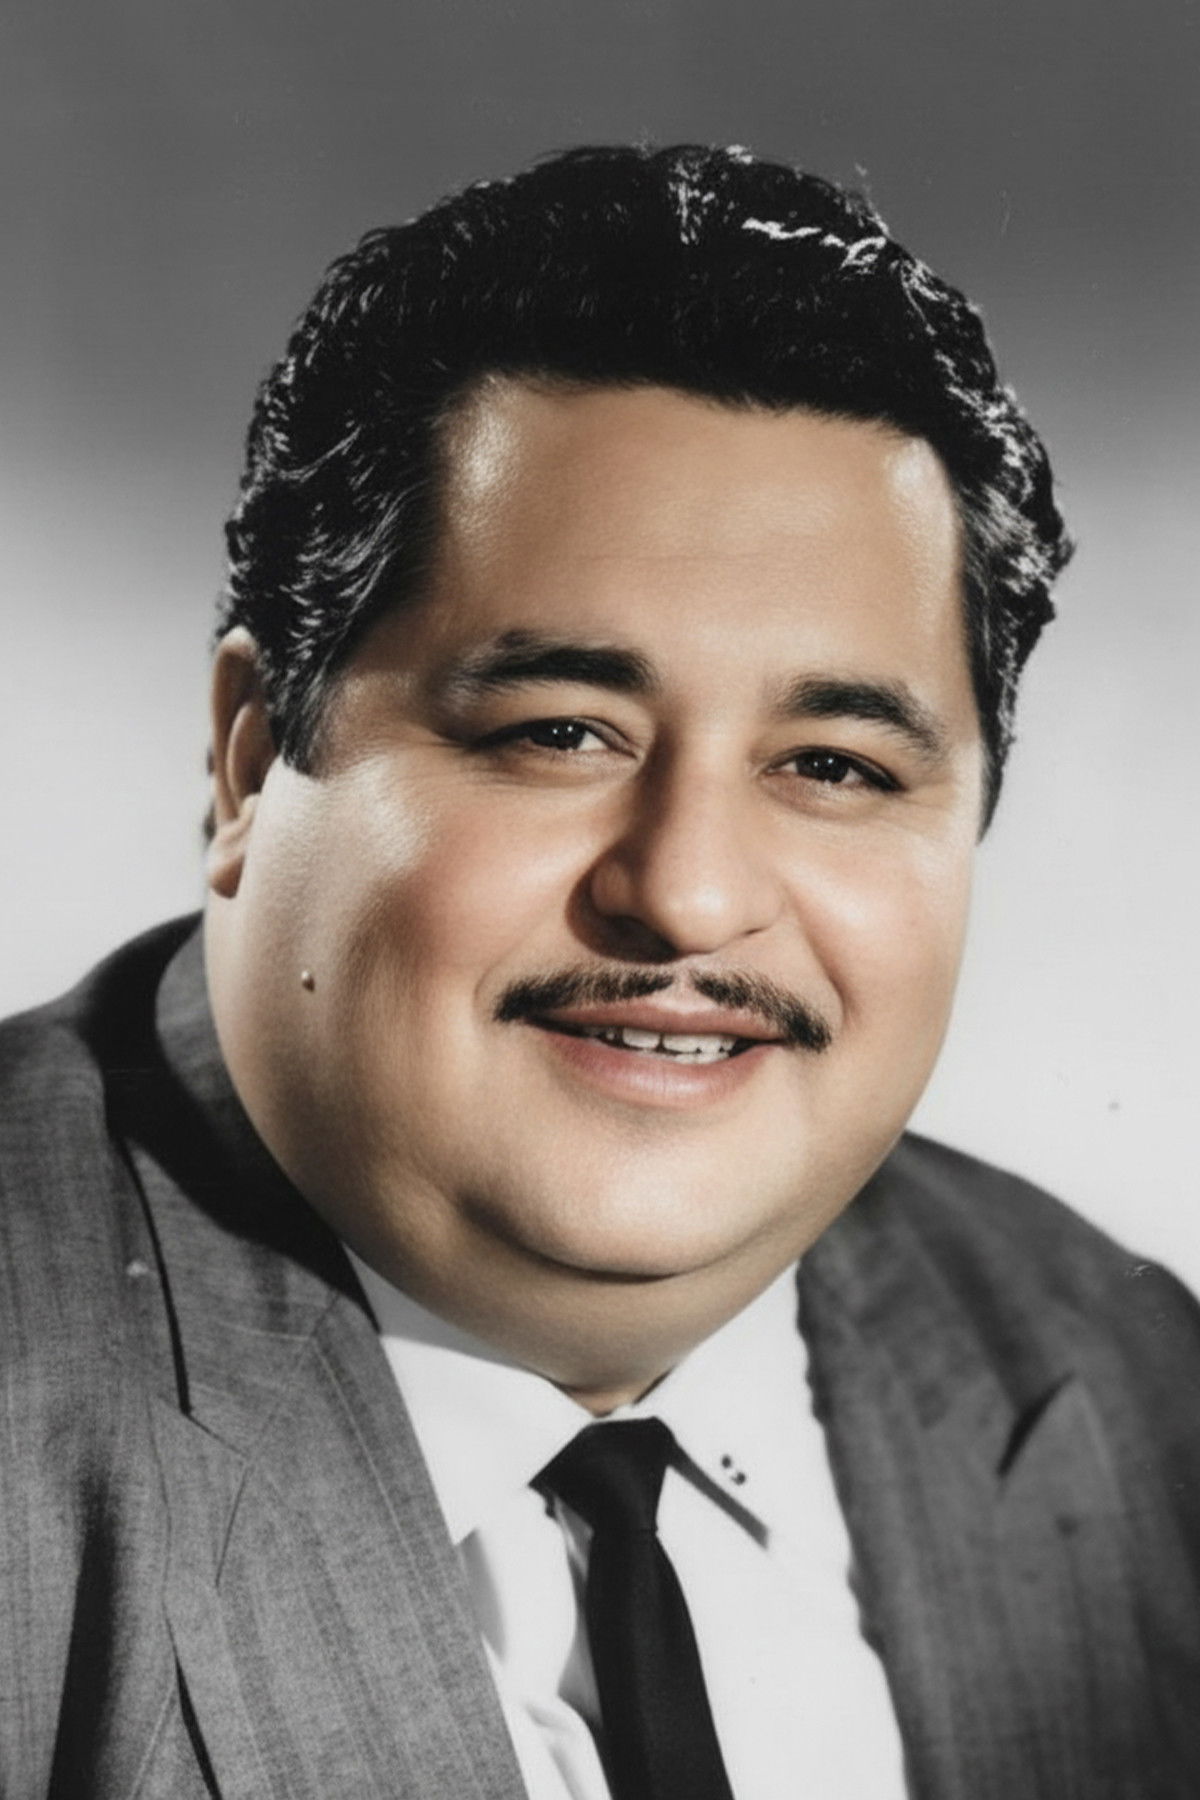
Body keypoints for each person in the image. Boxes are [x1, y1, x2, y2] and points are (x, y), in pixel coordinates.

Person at [3, 144, 1198, 1800]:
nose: (689, 896)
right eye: (561, 732)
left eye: (835, 765)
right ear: (252, 761)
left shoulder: (1138, 1398)